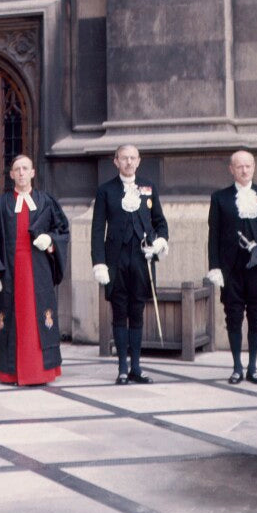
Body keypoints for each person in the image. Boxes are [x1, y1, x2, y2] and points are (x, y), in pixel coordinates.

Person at [0, 155, 69, 385]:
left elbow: (62, 230)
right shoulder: (0, 205)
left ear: (33, 173)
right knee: (13, 318)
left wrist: (50, 241)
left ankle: (40, 372)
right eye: (17, 169)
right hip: (10, 270)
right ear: (11, 175)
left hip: (39, 269)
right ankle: (11, 372)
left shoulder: (46, 201)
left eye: (25, 168)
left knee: (38, 318)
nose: (21, 173)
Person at [207, 150, 257, 385]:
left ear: (253, 167)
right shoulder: (219, 198)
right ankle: (236, 367)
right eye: (239, 166)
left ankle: (252, 367)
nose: (244, 170)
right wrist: (215, 267)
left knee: (256, 315)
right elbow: (213, 237)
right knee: (233, 315)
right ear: (231, 169)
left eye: (248, 166)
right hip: (231, 269)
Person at [91, 144, 169, 385]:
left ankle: (136, 366)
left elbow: (160, 222)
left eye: (133, 158)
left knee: (137, 312)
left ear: (139, 161)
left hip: (142, 259)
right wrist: (99, 263)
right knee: (119, 312)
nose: (129, 162)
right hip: (116, 260)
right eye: (124, 158)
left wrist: (159, 243)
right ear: (116, 161)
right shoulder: (106, 191)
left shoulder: (149, 187)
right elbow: (97, 230)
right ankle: (122, 368)